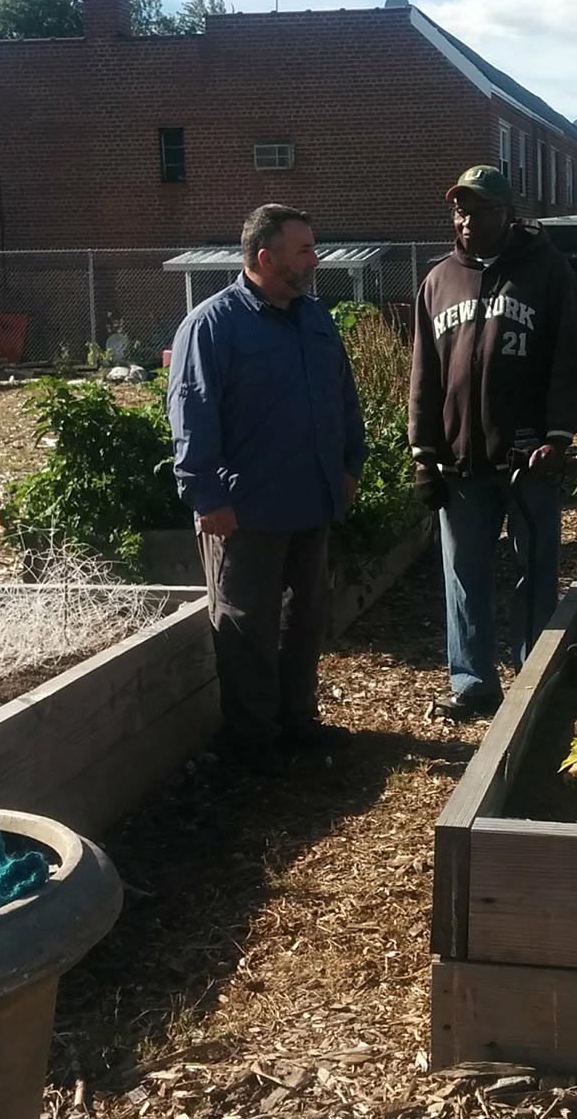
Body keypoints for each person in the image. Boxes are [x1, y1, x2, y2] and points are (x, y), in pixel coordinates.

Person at [168, 204, 367, 776]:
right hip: (245, 513)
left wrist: (350, 465)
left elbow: (342, 398)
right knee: (245, 629)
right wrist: (208, 497)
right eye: (304, 249)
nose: (315, 258)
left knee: (306, 621)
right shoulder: (212, 325)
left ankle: (298, 723)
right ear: (266, 257)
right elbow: (192, 416)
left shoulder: (316, 319)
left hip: (312, 502)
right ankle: (254, 745)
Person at [409, 165, 577, 721]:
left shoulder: (547, 272)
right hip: (461, 464)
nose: (467, 221)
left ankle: (532, 675)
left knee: (534, 571)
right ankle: (472, 683)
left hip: (529, 460)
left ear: (507, 212)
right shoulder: (438, 281)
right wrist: (423, 453)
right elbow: (425, 373)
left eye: (480, 209)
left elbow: (571, 358)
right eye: (460, 210)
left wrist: (560, 436)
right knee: (463, 575)